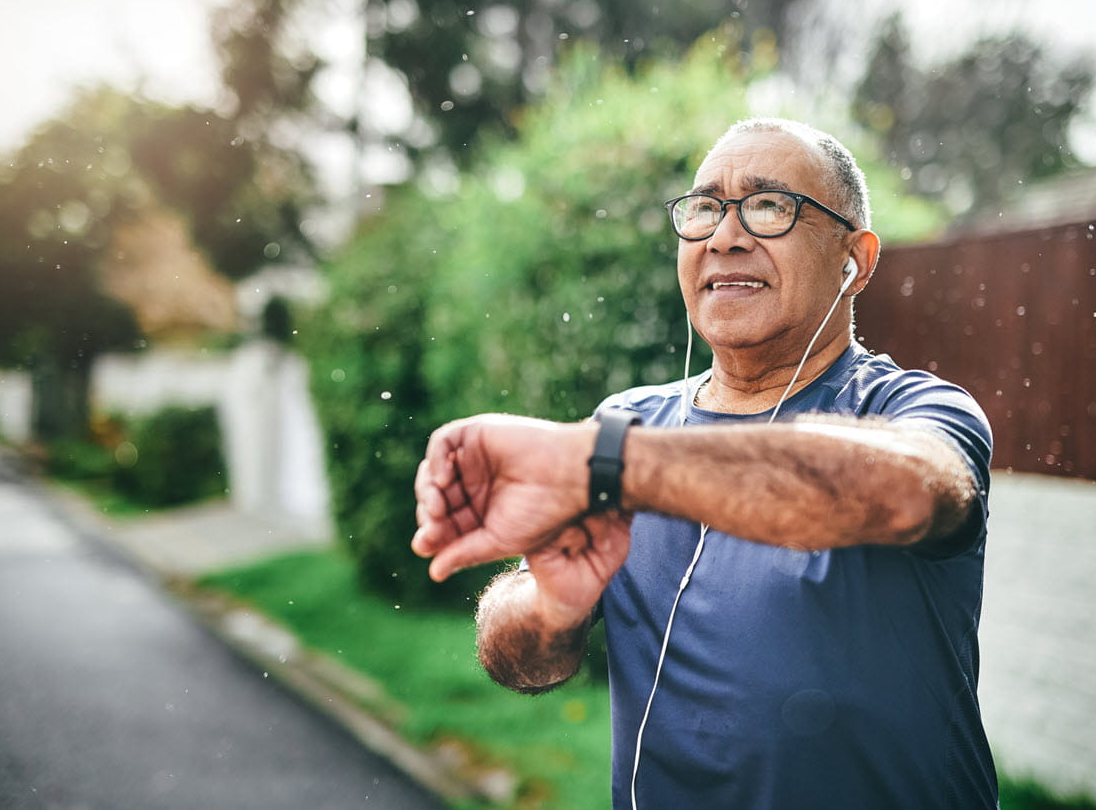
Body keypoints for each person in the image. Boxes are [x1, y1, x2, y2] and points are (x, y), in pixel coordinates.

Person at [411, 118, 998, 808]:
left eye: (770, 206)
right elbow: (521, 663)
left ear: (856, 259)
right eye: (704, 208)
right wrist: (550, 609)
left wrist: (611, 462)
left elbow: (905, 490)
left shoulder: (913, 410)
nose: (725, 235)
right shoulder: (629, 426)